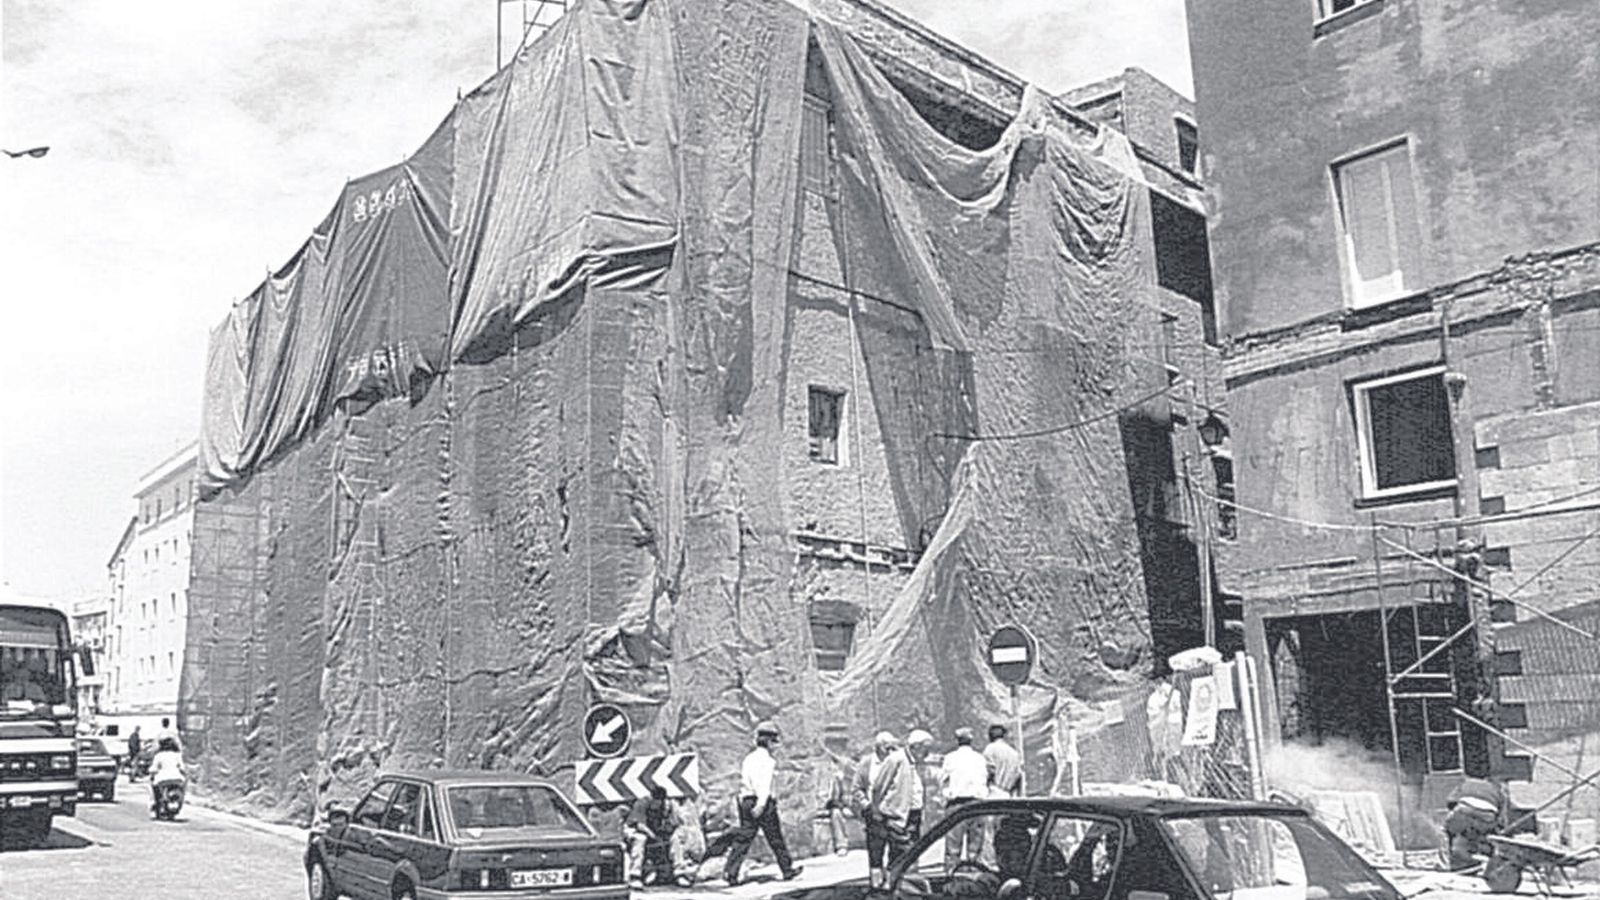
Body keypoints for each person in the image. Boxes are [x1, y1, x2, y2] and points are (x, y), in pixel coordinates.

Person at [722, 721, 802, 886]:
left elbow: (745, 781)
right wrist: (761, 804)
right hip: (762, 802)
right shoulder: (768, 761)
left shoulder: (748, 759)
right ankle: (787, 869)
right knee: (775, 837)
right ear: (769, 742)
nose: (776, 746)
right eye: (774, 742)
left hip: (746, 800)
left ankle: (730, 872)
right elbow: (763, 785)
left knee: (744, 839)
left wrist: (747, 803)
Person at [869, 733, 921, 875]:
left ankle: (899, 878)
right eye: (888, 748)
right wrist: (875, 809)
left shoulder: (911, 762)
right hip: (894, 815)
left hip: (910, 814)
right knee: (891, 853)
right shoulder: (895, 759)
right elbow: (878, 787)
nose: (891, 750)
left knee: (906, 853)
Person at [940, 727, 989, 872]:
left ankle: (951, 876)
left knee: (953, 849)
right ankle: (974, 876)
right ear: (971, 740)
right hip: (977, 804)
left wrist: (946, 793)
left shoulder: (950, 758)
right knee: (975, 848)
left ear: (957, 741)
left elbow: (942, 779)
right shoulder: (980, 758)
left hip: (957, 804)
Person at [853, 732, 898, 888]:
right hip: (874, 814)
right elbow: (857, 788)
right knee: (875, 852)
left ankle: (892, 883)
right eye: (887, 748)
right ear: (878, 747)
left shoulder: (896, 761)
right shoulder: (866, 764)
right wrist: (866, 805)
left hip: (893, 813)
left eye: (892, 747)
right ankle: (876, 885)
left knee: (896, 851)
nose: (890, 751)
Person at [1443, 777, 1507, 871]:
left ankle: (1445, 862)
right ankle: (1490, 866)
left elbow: (1450, 802)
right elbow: (1502, 819)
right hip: (1487, 816)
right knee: (1488, 839)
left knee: (1446, 830)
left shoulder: (1464, 783)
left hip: (1464, 811)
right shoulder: (1498, 790)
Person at [626, 787, 680, 888]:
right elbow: (640, 825)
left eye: (660, 801)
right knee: (640, 839)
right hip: (635, 830)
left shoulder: (666, 806)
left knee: (675, 839)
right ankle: (635, 875)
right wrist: (653, 836)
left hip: (655, 833)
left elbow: (673, 823)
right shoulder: (642, 803)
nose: (658, 803)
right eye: (656, 800)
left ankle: (679, 872)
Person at [817, 752, 852, 856]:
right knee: (836, 812)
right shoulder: (831, 778)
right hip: (837, 805)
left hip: (851, 804)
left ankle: (842, 845)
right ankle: (840, 845)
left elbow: (850, 794)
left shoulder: (847, 776)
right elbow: (827, 796)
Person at [904, 730, 935, 843]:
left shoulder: (919, 764)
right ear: (916, 746)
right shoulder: (901, 761)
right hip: (904, 811)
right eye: (925, 749)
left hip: (916, 810)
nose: (927, 753)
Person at [147, 736, 186, 814]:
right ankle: (180, 802)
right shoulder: (177, 755)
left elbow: (153, 769)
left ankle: (155, 803)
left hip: (162, 779)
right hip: (177, 778)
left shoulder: (159, 756)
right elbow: (182, 768)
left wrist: (151, 772)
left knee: (153, 787)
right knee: (183, 787)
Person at [984, 725, 1023, 798]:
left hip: (993, 794)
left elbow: (990, 771)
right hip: (1007, 795)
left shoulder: (990, 749)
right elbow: (1018, 776)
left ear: (990, 736)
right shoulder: (1014, 753)